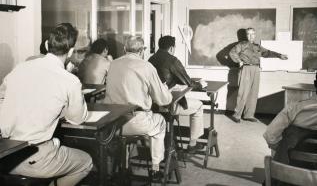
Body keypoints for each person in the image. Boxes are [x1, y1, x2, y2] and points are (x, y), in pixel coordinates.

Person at [0, 23, 93, 186]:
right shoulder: (69, 80)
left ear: (47, 45)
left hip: (6, 154)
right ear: (71, 52)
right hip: (35, 157)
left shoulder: (19, 69)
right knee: (86, 162)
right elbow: (77, 119)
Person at [103, 36, 172, 180]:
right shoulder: (147, 67)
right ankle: (155, 168)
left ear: (124, 49)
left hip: (112, 123)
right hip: (136, 122)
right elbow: (163, 100)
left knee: (126, 138)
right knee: (160, 122)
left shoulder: (113, 64)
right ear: (142, 51)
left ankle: (124, 165)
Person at [148, 35, 205, 153]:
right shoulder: (172, 60)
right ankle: (192, 144)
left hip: (152, 105)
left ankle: (170, 140)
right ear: (171, 48)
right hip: (168, 104)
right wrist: (201, 85)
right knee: (199, 106)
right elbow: (187, 82)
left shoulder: (150, 59)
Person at [263, 66, 317, 165]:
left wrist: (283, 149)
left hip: (291, 171)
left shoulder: (294, 108)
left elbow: (270, 135)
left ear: (315, 84)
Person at [229, 27, 288, 123]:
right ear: (246, 35)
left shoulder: (257, 46)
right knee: (243, 93)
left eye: (252, 34)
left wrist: (279, 55)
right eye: (248, 34)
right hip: (246, 69)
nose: (251, 36)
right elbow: (232, 52)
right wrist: (239, 61)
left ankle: (249, 115)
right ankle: (237, 115)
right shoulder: (241, 45)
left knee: (253, 93)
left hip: (256, 69)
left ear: (255, 35)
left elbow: (267, 53)